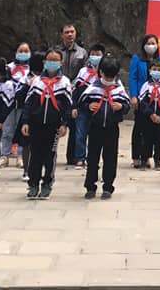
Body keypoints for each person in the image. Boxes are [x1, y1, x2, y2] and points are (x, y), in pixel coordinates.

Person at [22, 49, 72, 199]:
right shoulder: (37, 81)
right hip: (36, 124)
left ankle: (47, 183)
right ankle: (33, 184)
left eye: (55, 60)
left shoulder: (64, 82)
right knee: (35, 155)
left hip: (53, 125)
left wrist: (64, 123)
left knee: (50, 155)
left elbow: (67, 106)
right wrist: (25, 121)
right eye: (49, 60)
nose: (52, 63)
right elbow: (28, 103)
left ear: (61, 63)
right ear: (44, 62)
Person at [80, 56, 130, 200]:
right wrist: (89, 106)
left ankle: (108, 187)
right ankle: (90, 186)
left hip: (111, 128)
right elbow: (82, 102)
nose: (109, 79)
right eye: (107, 76)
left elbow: (126, 105)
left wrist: (121, 107)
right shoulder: (94, 87)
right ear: (100, 72)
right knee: (92, 158)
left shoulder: (118, 88)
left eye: (111, 76)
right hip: (95, 127)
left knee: (110, 158)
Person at [128, 35, 160, 169]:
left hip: (157, 99)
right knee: (139, 128)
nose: (151, 46)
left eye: (153, 43)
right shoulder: (137, 59)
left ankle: (148, 156)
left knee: (153, 132)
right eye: (148, 43)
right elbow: (133, 77)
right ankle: (136, 156)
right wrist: (134, 95)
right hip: (141, 98)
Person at [53, 24, 86, 166]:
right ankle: (50, 153)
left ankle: (72, 156)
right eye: (67, 32)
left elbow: (85, 72)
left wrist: (74, 85)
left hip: (75, 91)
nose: (70, 34)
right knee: (55, 122)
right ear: (62, 35)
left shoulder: (82, 53)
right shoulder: (56, 51)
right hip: (58, 91)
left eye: (72, 31)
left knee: (74, 124)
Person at [71, 43, 105, 170]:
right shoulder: (83, 71)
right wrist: (74, 106)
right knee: (80, 134)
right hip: (83, 108)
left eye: (98, 54)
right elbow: (76, 90)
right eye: (93, 54)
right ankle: (80, 158)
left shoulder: (105, 73)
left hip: (98, 109)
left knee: (95, 136)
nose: (95, 57)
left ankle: (92, 159)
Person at [14, 51, 45, 181]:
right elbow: (18, 96)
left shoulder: (48, 78)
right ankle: (27, 171)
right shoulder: (25, 78)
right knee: (26, 143)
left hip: (43, 114)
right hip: (28, 114)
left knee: (42, 144)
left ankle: (40, 170)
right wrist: (28, 85)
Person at [2, 42, 32, 164]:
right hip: (9, 104)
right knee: (7, 130)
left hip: (23, 103)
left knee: (21, 130)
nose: (23, 53)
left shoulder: (31, 69)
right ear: (16, 53)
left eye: (26, 51)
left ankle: (20, 156)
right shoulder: (8, 67)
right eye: (21, 51)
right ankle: (4, 155)